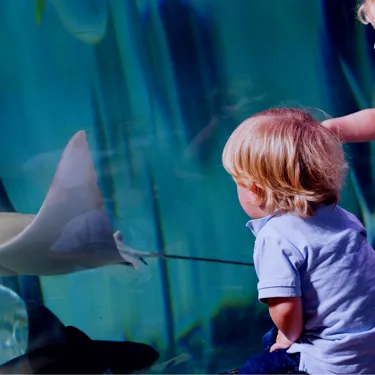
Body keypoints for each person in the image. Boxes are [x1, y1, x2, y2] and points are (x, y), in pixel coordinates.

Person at [222, 107, 375, 374]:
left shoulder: (276, 237)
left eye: (237, 182)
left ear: (256, 190)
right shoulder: (342, 216)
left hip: (334, 362)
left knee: (258, 363)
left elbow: (286, 316)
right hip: (368, 349)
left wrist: (287, 338)